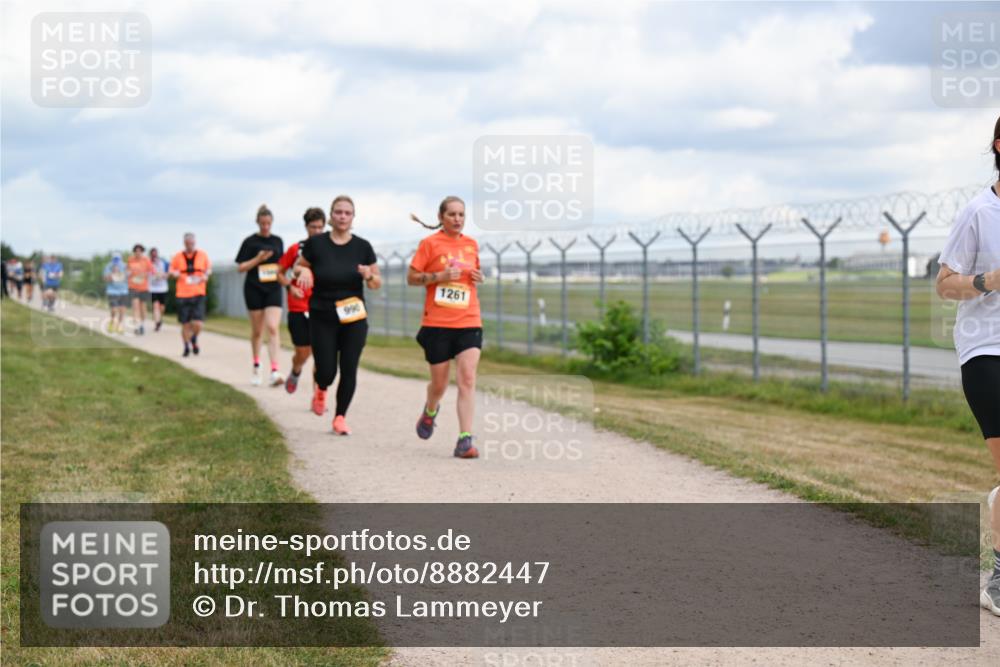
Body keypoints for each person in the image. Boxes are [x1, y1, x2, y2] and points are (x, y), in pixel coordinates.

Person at [936, 114, 1000, 617]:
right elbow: (945, 283)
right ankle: (998, 578)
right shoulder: (979, 212)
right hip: (986, 351)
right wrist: (989, 281)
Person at [294, 195, 380, 435]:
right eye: (338, 212)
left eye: (347, 213)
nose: (343, 216)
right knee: (327, 370)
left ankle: (340, 417)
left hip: (353, 316)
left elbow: (376, 282)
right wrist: (304, 272)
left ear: (353, 218)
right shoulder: (317, 244)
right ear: (331, 216)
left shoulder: (363, 247)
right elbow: (298, 266)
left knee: (349, 367)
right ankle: (321, 388)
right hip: (323, 314)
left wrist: (368, 276)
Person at [407, 196, 485, 459]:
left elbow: (475, 274)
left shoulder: (471, 244)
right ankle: (430, 410)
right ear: (441, 217)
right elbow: (412, 278)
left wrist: (479, 277)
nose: (457, 219)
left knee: (467, 378)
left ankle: (465, 439)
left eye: (461, 214)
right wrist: (438, 277)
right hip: (437, 324)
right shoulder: (429, 244)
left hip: (469, 320)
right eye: (452, 214)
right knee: (439, 385)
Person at [277, 207, 326, 394]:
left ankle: (318, 395)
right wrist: (290, 287)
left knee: (321, 354)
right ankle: (296, 370)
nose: (317, 231)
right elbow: (279, 273)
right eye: (313, 227)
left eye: (321, 227)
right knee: (303, 352)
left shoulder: (329, 249)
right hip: (298, 307)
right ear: (306, 227)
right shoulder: (296, 249)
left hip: (321, 306)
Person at [236, 204, 285, 386]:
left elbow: (282, 263)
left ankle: (275, 370)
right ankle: (257, 366)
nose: (265, 227)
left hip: (273, 287)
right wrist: (258, 259)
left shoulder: (278, 241)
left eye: (268, 223)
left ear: (272, 223)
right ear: (257, 222)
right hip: (254, 288)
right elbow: (240, 268)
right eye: (262, 223)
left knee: (272, 327)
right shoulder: (249, 242)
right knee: (257, 331)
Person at [169, 233, 212, 357]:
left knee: (198, 323)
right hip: (182, 294)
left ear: (195, 242)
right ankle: (186, 346)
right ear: (184, 243)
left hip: (198, 293)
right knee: (185, 323)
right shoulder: (177, 257)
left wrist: (206, 275)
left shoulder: (202, 255)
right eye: (188, 243)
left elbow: (209, 269)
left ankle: (193, 338)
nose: (190, 245)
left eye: (192, 243)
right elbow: (171, 271)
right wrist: (174, 274)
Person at [127, 244, 153, 335]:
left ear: (142, 252)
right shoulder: (130, 260)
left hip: (144, 287)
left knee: (143, 308)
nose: (138, 252)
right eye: (136, 251)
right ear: (134, 252)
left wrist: (144, 275)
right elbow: (127, 271)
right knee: (135, 307)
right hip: (133, 286)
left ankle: (142, 324)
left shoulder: (146, 260)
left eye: (140, 251)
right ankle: (136, 326)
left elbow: (151, 272)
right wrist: (128, 274)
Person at [103, 252, 129, 334]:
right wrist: (113, 274)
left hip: (123, 290)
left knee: (122, 310)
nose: (116, 261)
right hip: (112, 291)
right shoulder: (108, 266)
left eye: (118, 259)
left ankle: (120, 325)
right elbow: (106, 279)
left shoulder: (125, 266)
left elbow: (127, 277)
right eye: (115, 259)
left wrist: (119, 275)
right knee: (114, 310)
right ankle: (112, 322)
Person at [148, 247, 170, 331]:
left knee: (162, 307)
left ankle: (160, 318)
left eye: (155, 254)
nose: (154, 256)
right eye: (152, 255)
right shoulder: (148, 264)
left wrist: (164, 275)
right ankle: (157, 323)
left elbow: (168, 274)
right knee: (155, 306)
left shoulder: (163, 263)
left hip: (163, 288)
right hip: (153, 288)